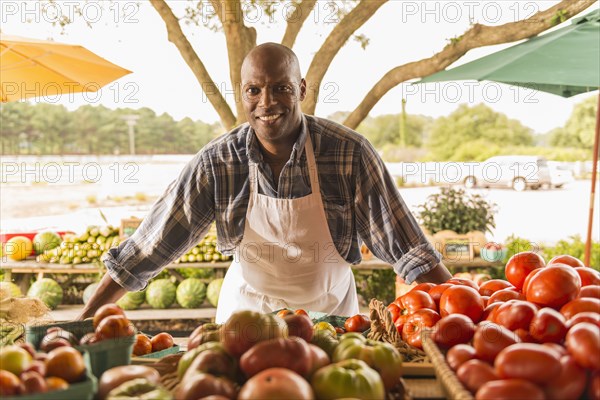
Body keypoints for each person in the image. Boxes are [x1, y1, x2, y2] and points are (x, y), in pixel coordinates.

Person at [79, 43, 451, 323]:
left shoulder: (348, 154)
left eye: (281, 89)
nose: (266, 102)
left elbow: (410, 250)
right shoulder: (218, 163)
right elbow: (149, 248)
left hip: (330, 320)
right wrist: (83, 322)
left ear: (302, 89)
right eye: (253, 90)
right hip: (246, 318)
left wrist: (465, 315)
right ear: (242, 93)